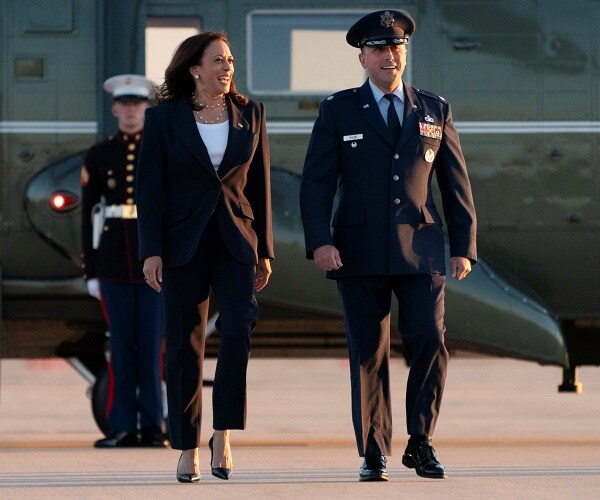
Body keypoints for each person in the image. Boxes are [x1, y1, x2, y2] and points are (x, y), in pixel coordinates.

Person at [300, 10, 477, 482]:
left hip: (420, 250)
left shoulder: (433, 109)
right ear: (363, 57)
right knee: (368, 353)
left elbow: (455, 183)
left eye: (396, 47)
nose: (389, 56)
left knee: (430, 341)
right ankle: (373, 450)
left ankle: (421, 441)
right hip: (356, 252)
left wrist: (463, 246)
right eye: (379, 49)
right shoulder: (337, 109)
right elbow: (316, 182)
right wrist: (319, 241)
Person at [136, 32, 274, 483]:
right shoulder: (163, 120)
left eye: (230, 59)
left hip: (236, 241)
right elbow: (150, 190)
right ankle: (185, 446)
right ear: (195, 68)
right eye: (218, 60)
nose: (227, 66)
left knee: (238, 330)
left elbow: (260, 187)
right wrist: (150, 251)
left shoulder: (251, 113)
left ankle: (223, 434)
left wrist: (265, 251)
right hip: (182, 245)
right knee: (183, 345)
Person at [81, 74, 167, 448]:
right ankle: (121, 426)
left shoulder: (163, 149)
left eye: (138, 105)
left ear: (147, 109)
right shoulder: (100, 155)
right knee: (120, 350)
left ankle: (152, 426)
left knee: (152, 349)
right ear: (115, 109)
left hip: (155, 264)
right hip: (114, 264)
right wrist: (91, 270)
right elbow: (89, 215)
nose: (131, 112)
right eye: (125, 105)